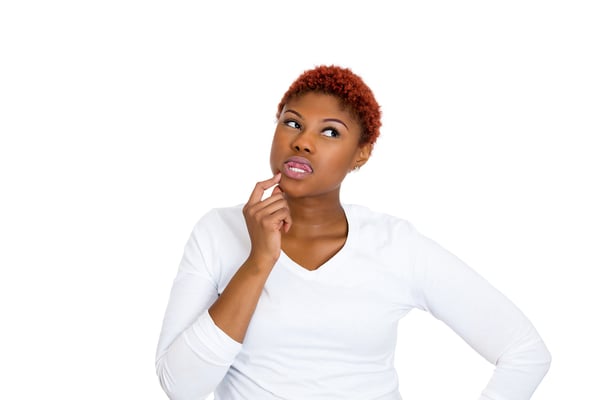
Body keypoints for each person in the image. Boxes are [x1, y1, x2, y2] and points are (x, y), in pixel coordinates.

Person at [155, 65, 551, 400]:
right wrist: (259, 262)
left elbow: (524, 351)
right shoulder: (217, 232)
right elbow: (181, 386)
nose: (303, 142)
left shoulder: (395, 246)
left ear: (360, 154)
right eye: (292, 122)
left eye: (330, 132)